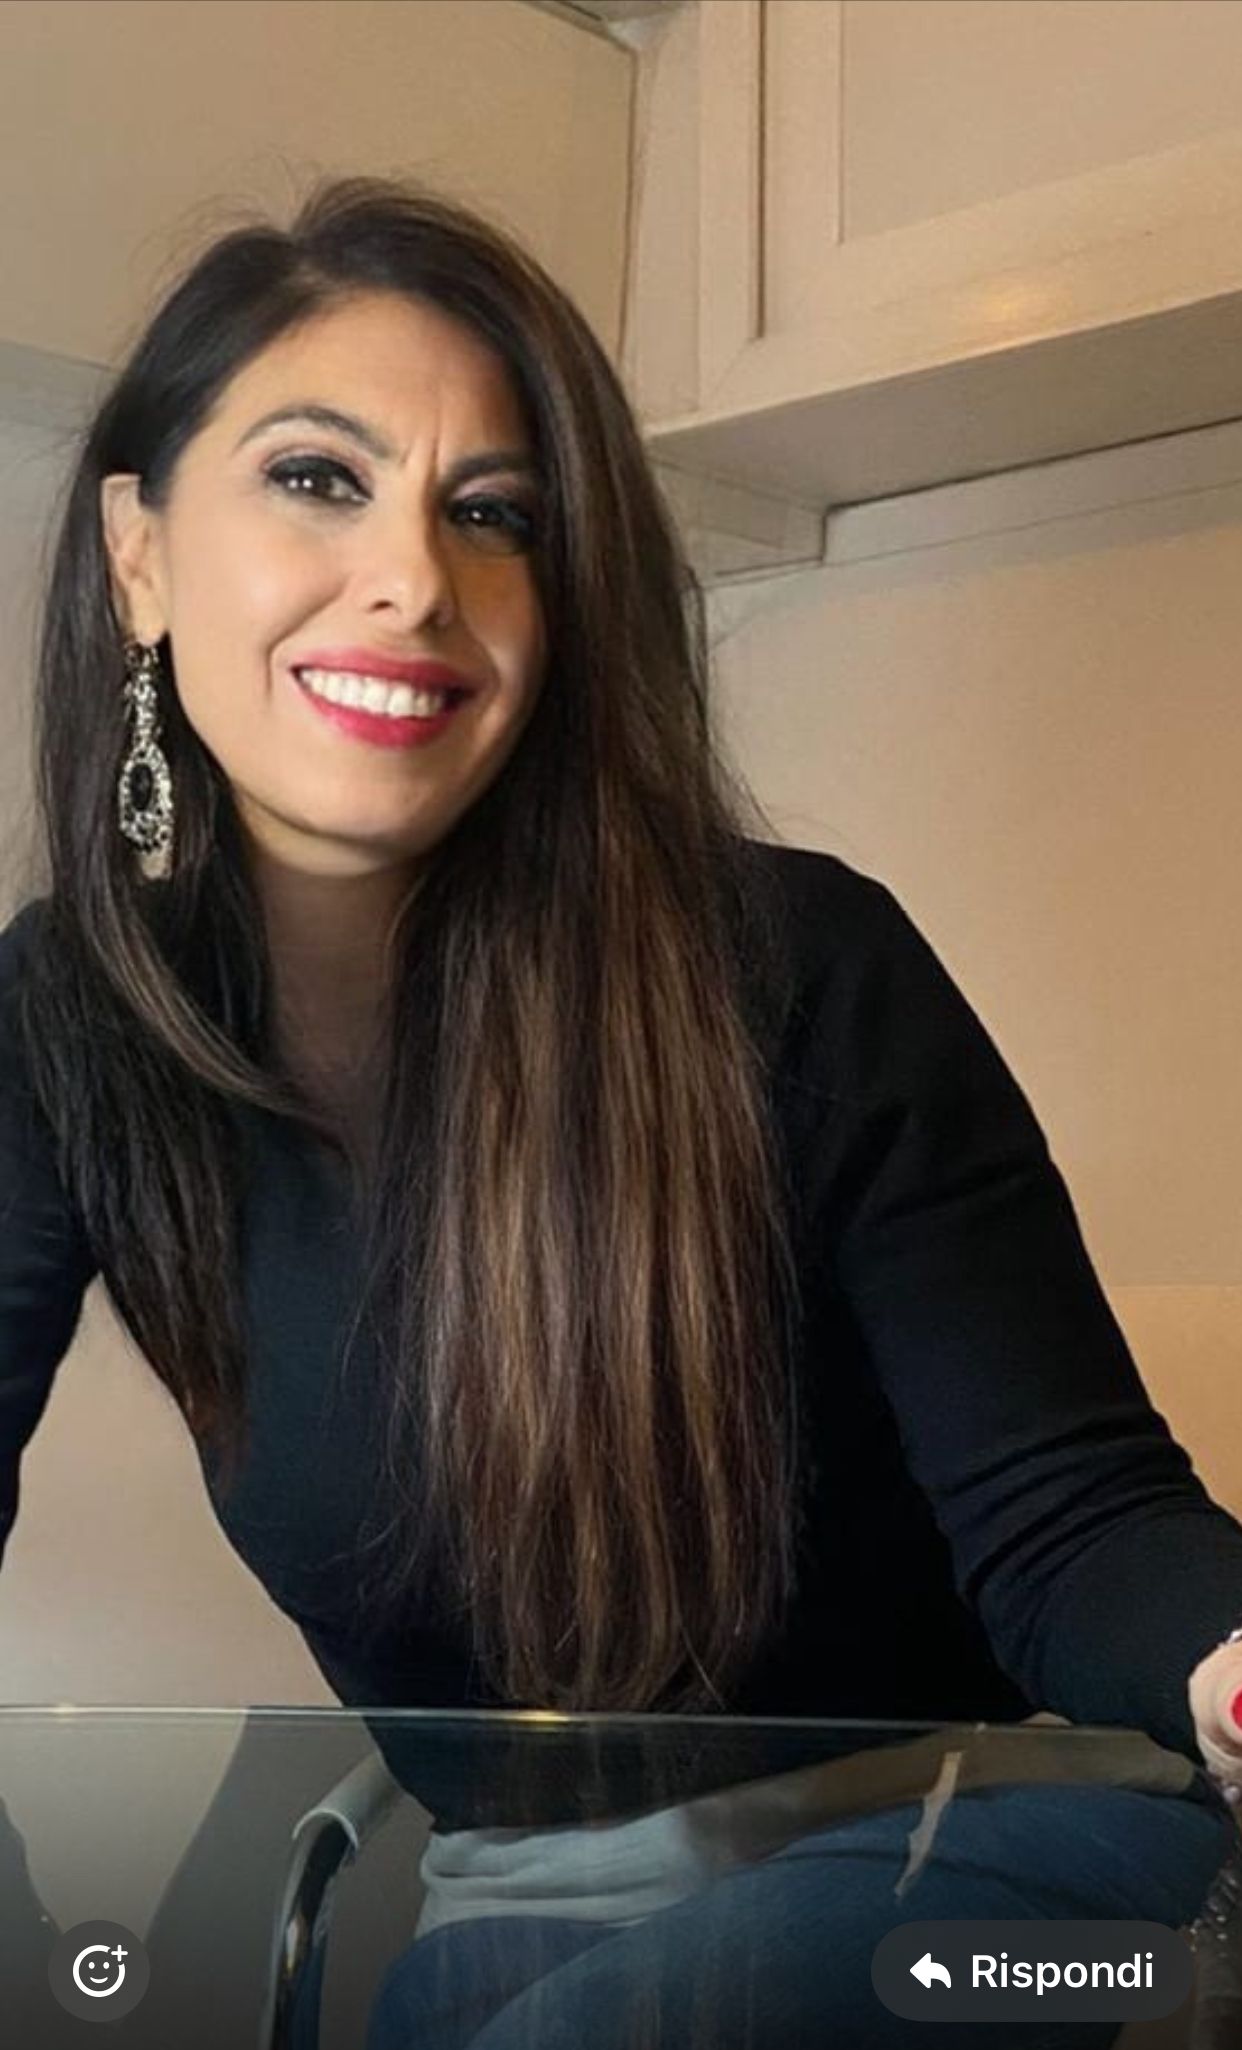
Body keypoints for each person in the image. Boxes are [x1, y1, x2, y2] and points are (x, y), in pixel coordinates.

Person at [2, 173, 1242, 2050]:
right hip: (522, 1914)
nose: (415, 578)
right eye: (318, 477)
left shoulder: (794, 962)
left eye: (491, 514)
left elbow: (1072, 1524)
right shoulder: (60, 1027)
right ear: (140, 554)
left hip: (984, 1865)